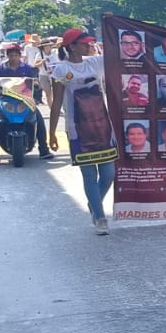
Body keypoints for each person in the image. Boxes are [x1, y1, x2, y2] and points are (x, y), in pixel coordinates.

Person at [48, 29, 120, 234]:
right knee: (89, 175)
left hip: (103, 126)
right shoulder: (61, 70)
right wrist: (51, 133)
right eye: (83, 43)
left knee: (109, 174)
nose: (88, 46)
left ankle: (93, 202)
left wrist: (109, 24)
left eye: (89, 43)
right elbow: (56, 103)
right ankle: (100, 217)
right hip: (78, 129)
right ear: (71, 47)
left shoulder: (95, 62)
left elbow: (117, 52)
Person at [0, 42, 53, 162]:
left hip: (25, 100)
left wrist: (36, 84)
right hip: (5, 100)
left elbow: (35, 81)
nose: (13, 58)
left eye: (16, 55)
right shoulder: (1, 68)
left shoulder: (27, 68)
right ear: (7, 56)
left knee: (38, 119)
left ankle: (44, 149)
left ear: (20, 55)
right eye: (11, 55)